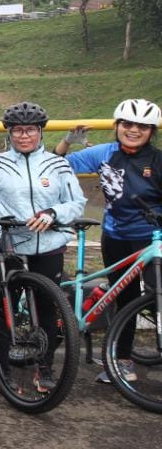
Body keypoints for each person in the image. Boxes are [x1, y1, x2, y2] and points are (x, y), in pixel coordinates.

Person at [0, 101, 86, 392]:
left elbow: (75, 203)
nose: (24, 135)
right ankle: (2, 370)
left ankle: (45, 368)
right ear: (9, 133)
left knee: (48, 309)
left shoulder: (58, 164)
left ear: (41, 131)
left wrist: (54, 214)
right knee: (5, 310)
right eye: (17, 130)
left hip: (50, 245)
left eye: (30, 130)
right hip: (11, 246)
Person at [58, 98, 162, 385]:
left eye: (142, 126)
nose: (133, 130)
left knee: (157, 294)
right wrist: (68, 142)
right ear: (117, 126)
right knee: (124, 297)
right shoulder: (104, 153)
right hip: (115, 235)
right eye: (127, 124)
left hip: (152, 237)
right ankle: (122, 360)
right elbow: (59, 165)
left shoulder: (158, 160)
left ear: (151, 131)